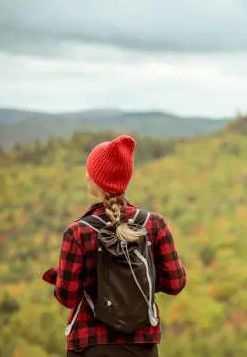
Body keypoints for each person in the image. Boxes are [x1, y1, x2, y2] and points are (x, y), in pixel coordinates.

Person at [42, 135, 187, 357]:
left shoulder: (78, 232)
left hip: (90, 344)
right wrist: (135, 281)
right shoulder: (154, 225)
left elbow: (67, 297)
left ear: (94, 180)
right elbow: (175, 283)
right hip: (142, 345)